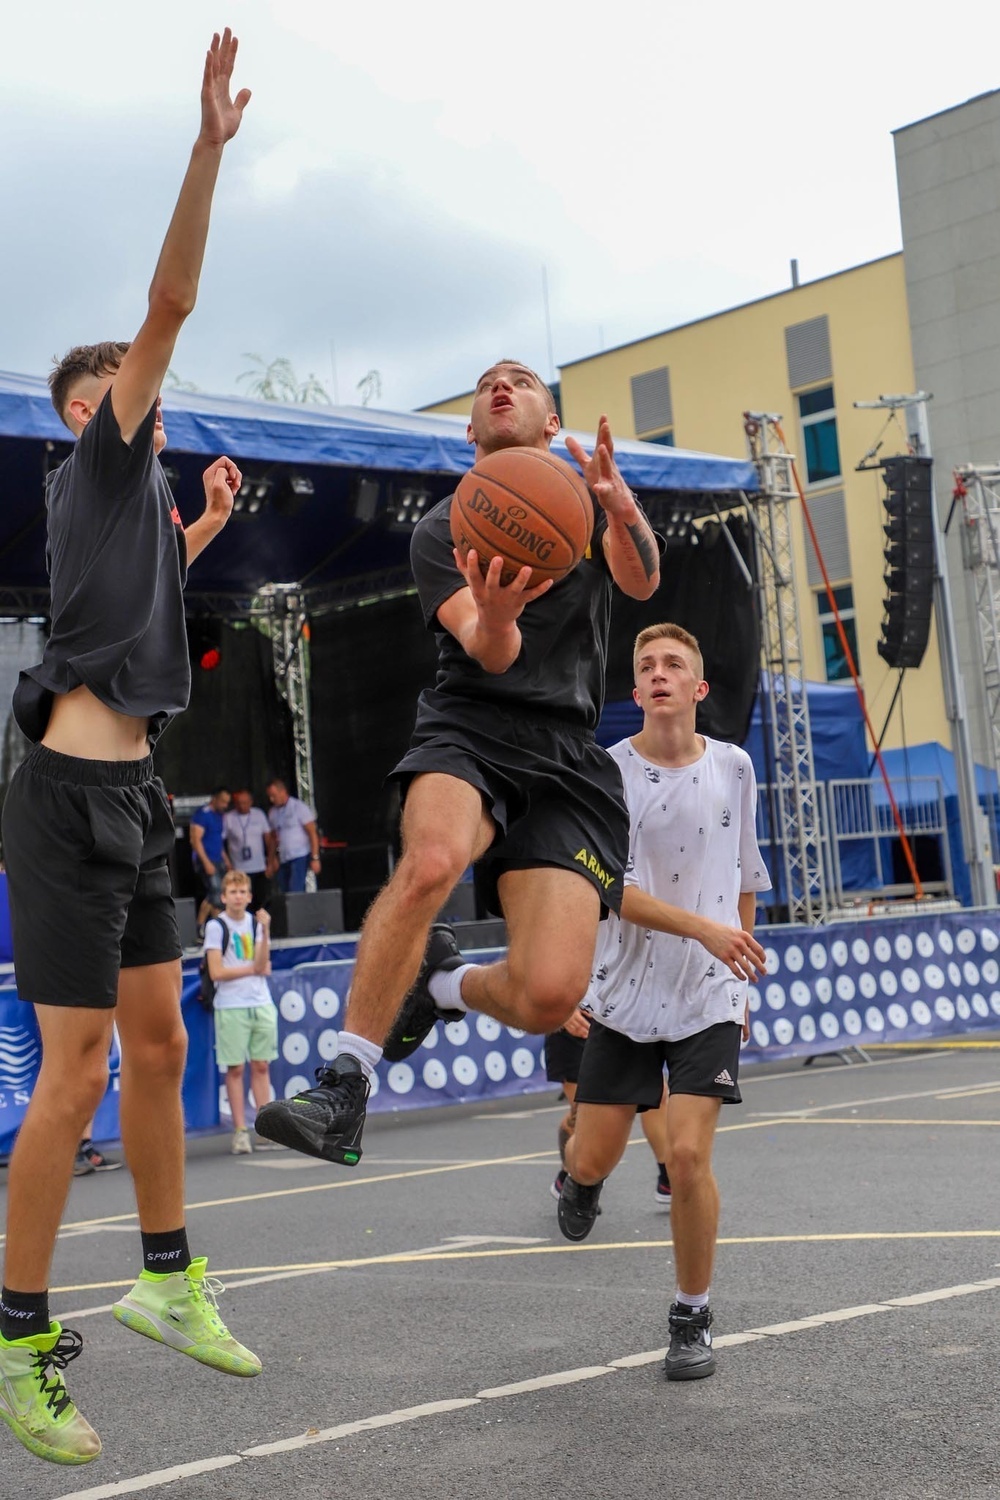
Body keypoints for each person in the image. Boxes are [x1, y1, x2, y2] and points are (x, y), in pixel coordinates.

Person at [0, 31, 259, 1469]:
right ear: (88, 408)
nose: (145, 382)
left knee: (161, 1042)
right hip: (66, 800)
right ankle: (18, 1336)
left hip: (141, 792)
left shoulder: (128, 509)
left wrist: (209, 525)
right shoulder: (94, 456)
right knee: (80, 1065)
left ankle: (167, 1279)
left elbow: (149, 573)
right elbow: (167, 296)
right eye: (124, 380)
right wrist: (207, 149)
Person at [256, 360, 660, 1166]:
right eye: (486, 385)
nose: (501, 387)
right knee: (434, 859)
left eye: (521, 381)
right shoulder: (445, 527)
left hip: (568, 758)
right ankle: (345, 1082)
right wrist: (501, 612)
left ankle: (441, 984)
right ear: (471, 429)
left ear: (553, 422)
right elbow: (489, 648)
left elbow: (643, 581)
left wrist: (620, 508)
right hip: (472, 724)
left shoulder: (583, 514)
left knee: (549, 996)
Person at [556, 622, 770, 1383]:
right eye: (645, 665)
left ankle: (692, 1312)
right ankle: (576, 1179)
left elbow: (746, 876)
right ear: (637, 688)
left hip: (709, 995)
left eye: (673, 663)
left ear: (698, 688)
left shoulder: (736, 767)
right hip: (626, 993)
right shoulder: (606, 771)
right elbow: (611, 891)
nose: (657, 673)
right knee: (595, 1152)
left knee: (685, 1156)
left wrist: (737, 968)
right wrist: (708, 931)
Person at [547, 1009, 670, 1209]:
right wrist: (561, 1012)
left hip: (620, 1017)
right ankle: (572, 1179)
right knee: (582, 1113)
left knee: (658, 1092)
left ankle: (668, 1179)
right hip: (577, 1023)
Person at [204, 871, 275, 1155]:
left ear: (248, 896)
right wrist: (252, 970)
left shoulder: (255, 923)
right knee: (236, 1069)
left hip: (260, 1001)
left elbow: (263, 961)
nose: (237, 897)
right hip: (231, 1005)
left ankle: (265, 1128)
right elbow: (217, 971)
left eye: (242, 892)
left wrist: (266, 931)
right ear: (224, 897)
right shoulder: (216, 926)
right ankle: (240, 1130)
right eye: (232, 892)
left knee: (261, 1066)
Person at [265, 778, 320, 893]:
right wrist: (271, 860)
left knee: (296, 889)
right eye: (270, 796)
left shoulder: (299, 807)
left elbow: (312, 833)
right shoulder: (273, 813)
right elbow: (273, 838)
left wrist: (315, 857)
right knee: (284, 891)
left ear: (283, 792)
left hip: (300, 854)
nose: (272, 799)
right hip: (284, 857)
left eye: (274, 795)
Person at [223, 788, 273, 910]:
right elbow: (219, 842)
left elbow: (269, 839)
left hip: (259, 866)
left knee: (261, 900)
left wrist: (271, 861)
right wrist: (227, 863)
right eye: (239, 803)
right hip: (239, 868)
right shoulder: (228, 817)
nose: (242, 806)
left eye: (245, 802)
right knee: (242, 901)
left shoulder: (259, 814)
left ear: (251, 802)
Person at [189, 786, 231, 929]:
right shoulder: (203, 814)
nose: (225, 805)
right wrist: (206, 862)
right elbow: (195, 840)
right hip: (205, 859)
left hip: (218, 859)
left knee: (219, 895)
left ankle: (217, 926)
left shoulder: (220, 816)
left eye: (227, 802)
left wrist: (226, 860)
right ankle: (200, 926)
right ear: (214, 799)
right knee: (216, 891)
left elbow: (218, 840)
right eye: (223, 801)